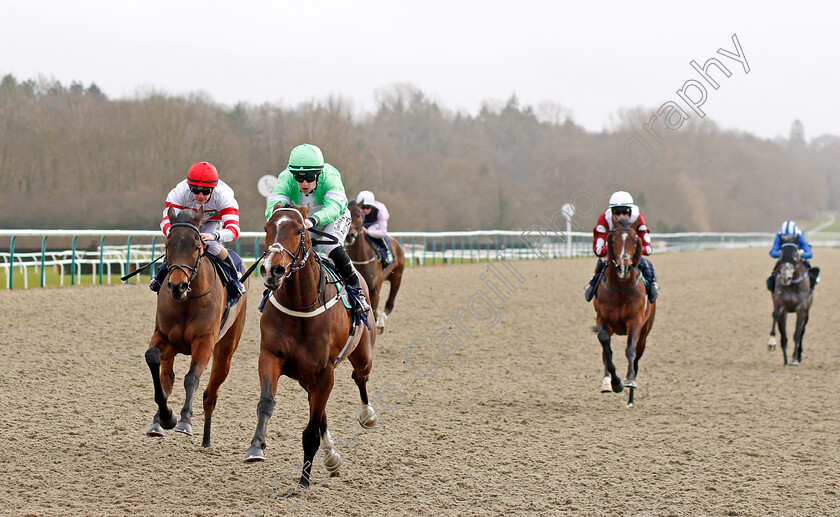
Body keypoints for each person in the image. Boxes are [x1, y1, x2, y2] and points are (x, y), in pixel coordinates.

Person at [265, 144, 371, 316]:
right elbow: (273, 207)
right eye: (299, 178)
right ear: (292, 175)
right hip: (303, 219)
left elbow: (334, 207)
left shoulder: (330, 176)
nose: (304, 183)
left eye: (309, 177)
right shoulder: (285, 178)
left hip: (334, 216)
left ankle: (357, 291)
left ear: (319, 173)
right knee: (291, 249)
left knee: (331, 246)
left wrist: (313, 220)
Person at [149, 161, 246, 299]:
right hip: (188, 222)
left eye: (206, 191)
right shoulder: (179, 193)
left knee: (212, 246)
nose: (200, 195)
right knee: (178, 245)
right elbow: (166, 221)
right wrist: (175, 235)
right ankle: (159, 277)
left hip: (213, 223)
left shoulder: (224, 197)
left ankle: (234, 279)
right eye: (195, 190)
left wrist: (214, 235)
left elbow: (234, 229)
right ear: (189, 187)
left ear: (213, 188)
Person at [584, 191, 659, 303]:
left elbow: (648, 249)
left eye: (625, 212)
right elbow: (598, 250)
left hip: (632, 253)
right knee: (601, 263)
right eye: (617, 212)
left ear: (631, 210)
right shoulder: (605, 218)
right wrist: (615, 248)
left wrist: (631, 250)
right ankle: (594, 283)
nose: (621, 216)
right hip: (612, 253)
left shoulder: (638, 217)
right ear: (611, 212)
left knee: (647, 264)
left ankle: (652, 284)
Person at [766, 220, 819, 291]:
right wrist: (784, 254)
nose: (788, 239)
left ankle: (811, 286)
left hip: (798, 258)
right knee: (773, 275)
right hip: (784, 259)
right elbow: (773, 253)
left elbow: (809, 254)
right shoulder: (779, 236)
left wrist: (799, 254)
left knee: (810, 270)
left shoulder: (800, 236)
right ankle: (773, 289)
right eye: (785, 237)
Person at [356, 190, 394, 266]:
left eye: (368, 207)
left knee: (372, 229)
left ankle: (386, 252)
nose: (365, 210)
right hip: (360, 225)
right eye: (363, 207)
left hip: (374, 225)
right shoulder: (354, 209)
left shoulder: (381, 210)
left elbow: (382, 232)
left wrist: (368, 232)